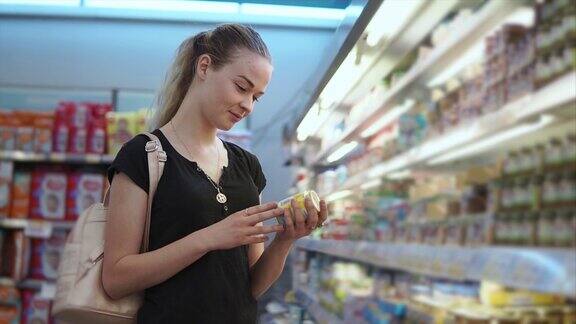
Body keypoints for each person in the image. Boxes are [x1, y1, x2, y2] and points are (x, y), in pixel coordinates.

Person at [102, 23, 328, 323]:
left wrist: (286, 239)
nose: (248, 105)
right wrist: (209, 238)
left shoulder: (246, 166)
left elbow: (252, 287)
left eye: (256, 97)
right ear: (205, 66)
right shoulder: (142, 155)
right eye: (242, 87)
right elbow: (116, 279)